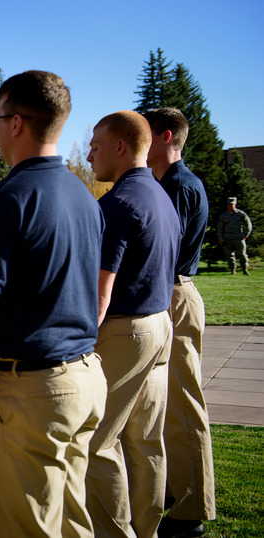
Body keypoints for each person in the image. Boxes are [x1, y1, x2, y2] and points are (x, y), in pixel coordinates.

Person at [0, 70, 107, 537]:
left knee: (29, 528)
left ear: (17, 123)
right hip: (85, 378)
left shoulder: (6, 199)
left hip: (33, 390)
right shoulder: (85, 197)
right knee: (71, 523)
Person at [84, 111, 179, 537]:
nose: (89, 155)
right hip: (160, 325)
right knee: (145, 442)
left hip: (126, 332)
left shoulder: (117, 204)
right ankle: (147, 530)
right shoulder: (161, 196)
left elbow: (100, 293)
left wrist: (80, 346)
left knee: (95, 442)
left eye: (95, 145)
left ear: (120, 146)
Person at [145, 107, 216, 537]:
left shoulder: (178, 186)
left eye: (144, 134)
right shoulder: (166, 184)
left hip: (172, 295)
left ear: (166, 136)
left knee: (183, 404)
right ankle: (172, 491)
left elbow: (160, 255)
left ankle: (190, 512)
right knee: (163, 403)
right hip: (167, 295)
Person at [218, 197, 253, 275]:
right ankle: (232, 270)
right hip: (227, 238)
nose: (230, 206)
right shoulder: (224, 215)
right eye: (228, 204)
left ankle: (245, 269)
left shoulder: (240, 214)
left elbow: (248, 224)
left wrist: (246, 234)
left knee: (242, 254)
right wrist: (220, 238)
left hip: (238, 237)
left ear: (235, 204)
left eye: (232, 204)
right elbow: (220, 228)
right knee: (230, 256)